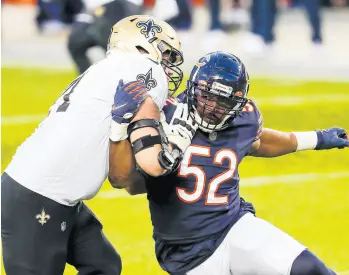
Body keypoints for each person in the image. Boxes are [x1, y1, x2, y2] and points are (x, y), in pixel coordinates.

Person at [109, 51, 348, 274]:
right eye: (206, 97)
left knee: (308, 268)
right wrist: (162, 154)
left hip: (234, 226)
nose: (212, 107)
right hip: (185, 251)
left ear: (237, 103)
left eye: (222, 102)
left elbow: (258, 143)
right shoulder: (163, 116)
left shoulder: (244, 120)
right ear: (193, 89)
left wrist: (317, 138)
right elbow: (129, 184)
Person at [1, 14, 194, 275]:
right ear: (141, 45)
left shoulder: (109, 69)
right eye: (166, 54)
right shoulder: (147, 70)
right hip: (39, 196)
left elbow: (125, 179)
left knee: (103, 266)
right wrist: (173, 147)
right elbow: (129, 174)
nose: (169, 65)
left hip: (53, 194)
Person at [67, 0, 143, 74]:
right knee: (75, 43)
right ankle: (90, 81)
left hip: (119, 6)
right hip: (92, 12)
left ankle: (123, 79)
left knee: (115, 49)